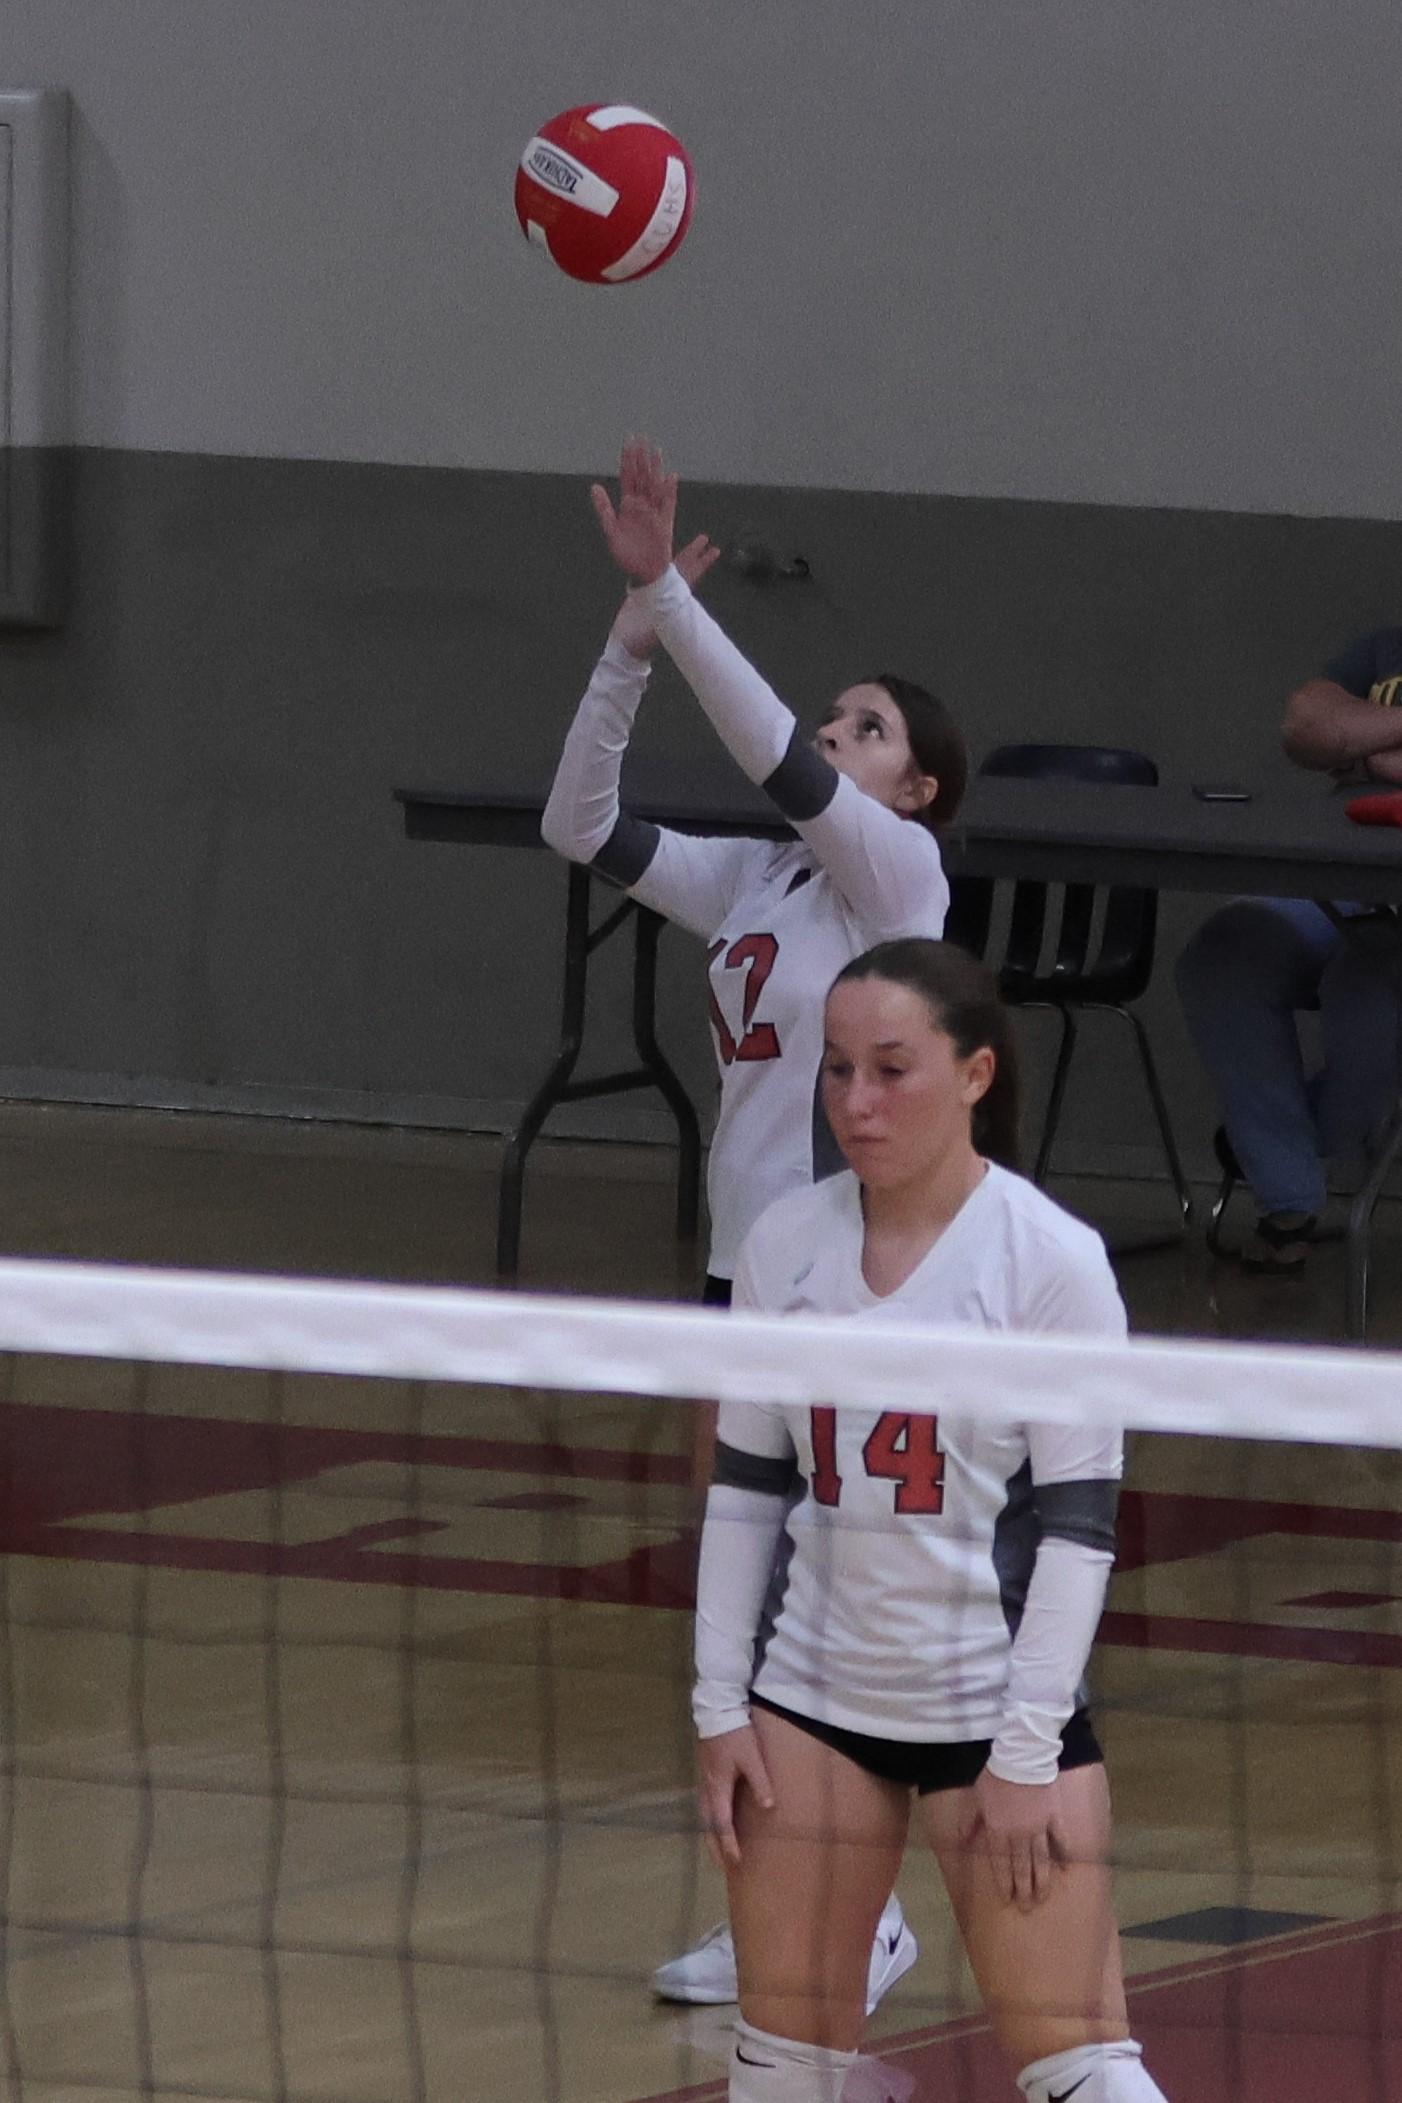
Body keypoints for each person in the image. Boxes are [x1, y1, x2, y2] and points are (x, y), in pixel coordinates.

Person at [543, 442, 966, 2011]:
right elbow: (577, 823)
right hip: (740, 1285)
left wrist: (668, 590)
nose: (834, 740)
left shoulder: (893, 878)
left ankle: (854, 1904)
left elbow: (772, 744)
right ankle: (807, 1900)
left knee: (836, 1610)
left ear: (911, 786)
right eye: (839, 715)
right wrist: (623, 646)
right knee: (750, 1607)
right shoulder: (757, 886)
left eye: (869, 729)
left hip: (854, 1290)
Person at [696, 939, 1168, 2103]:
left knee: (1082, 2078)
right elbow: (747, 1488)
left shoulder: (1047, 1263)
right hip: (811, 1703)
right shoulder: (784, 1246)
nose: (857, 1102)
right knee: (780, 2082)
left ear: (974, 1074)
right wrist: (718, 1706)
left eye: (891, 1069)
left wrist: (1024, 1753)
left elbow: (1077, 1533)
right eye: (837, 1069)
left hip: (992, 1716)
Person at [1175, 628, 1402, 1272]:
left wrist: (1362, 751)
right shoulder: (1386, 646)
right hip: (1340, 887)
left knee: (1370, 981)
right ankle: (1290, 1194)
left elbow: (1339, 740)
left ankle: (1282, 1165)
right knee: (1226, 954)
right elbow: (1306, 727)